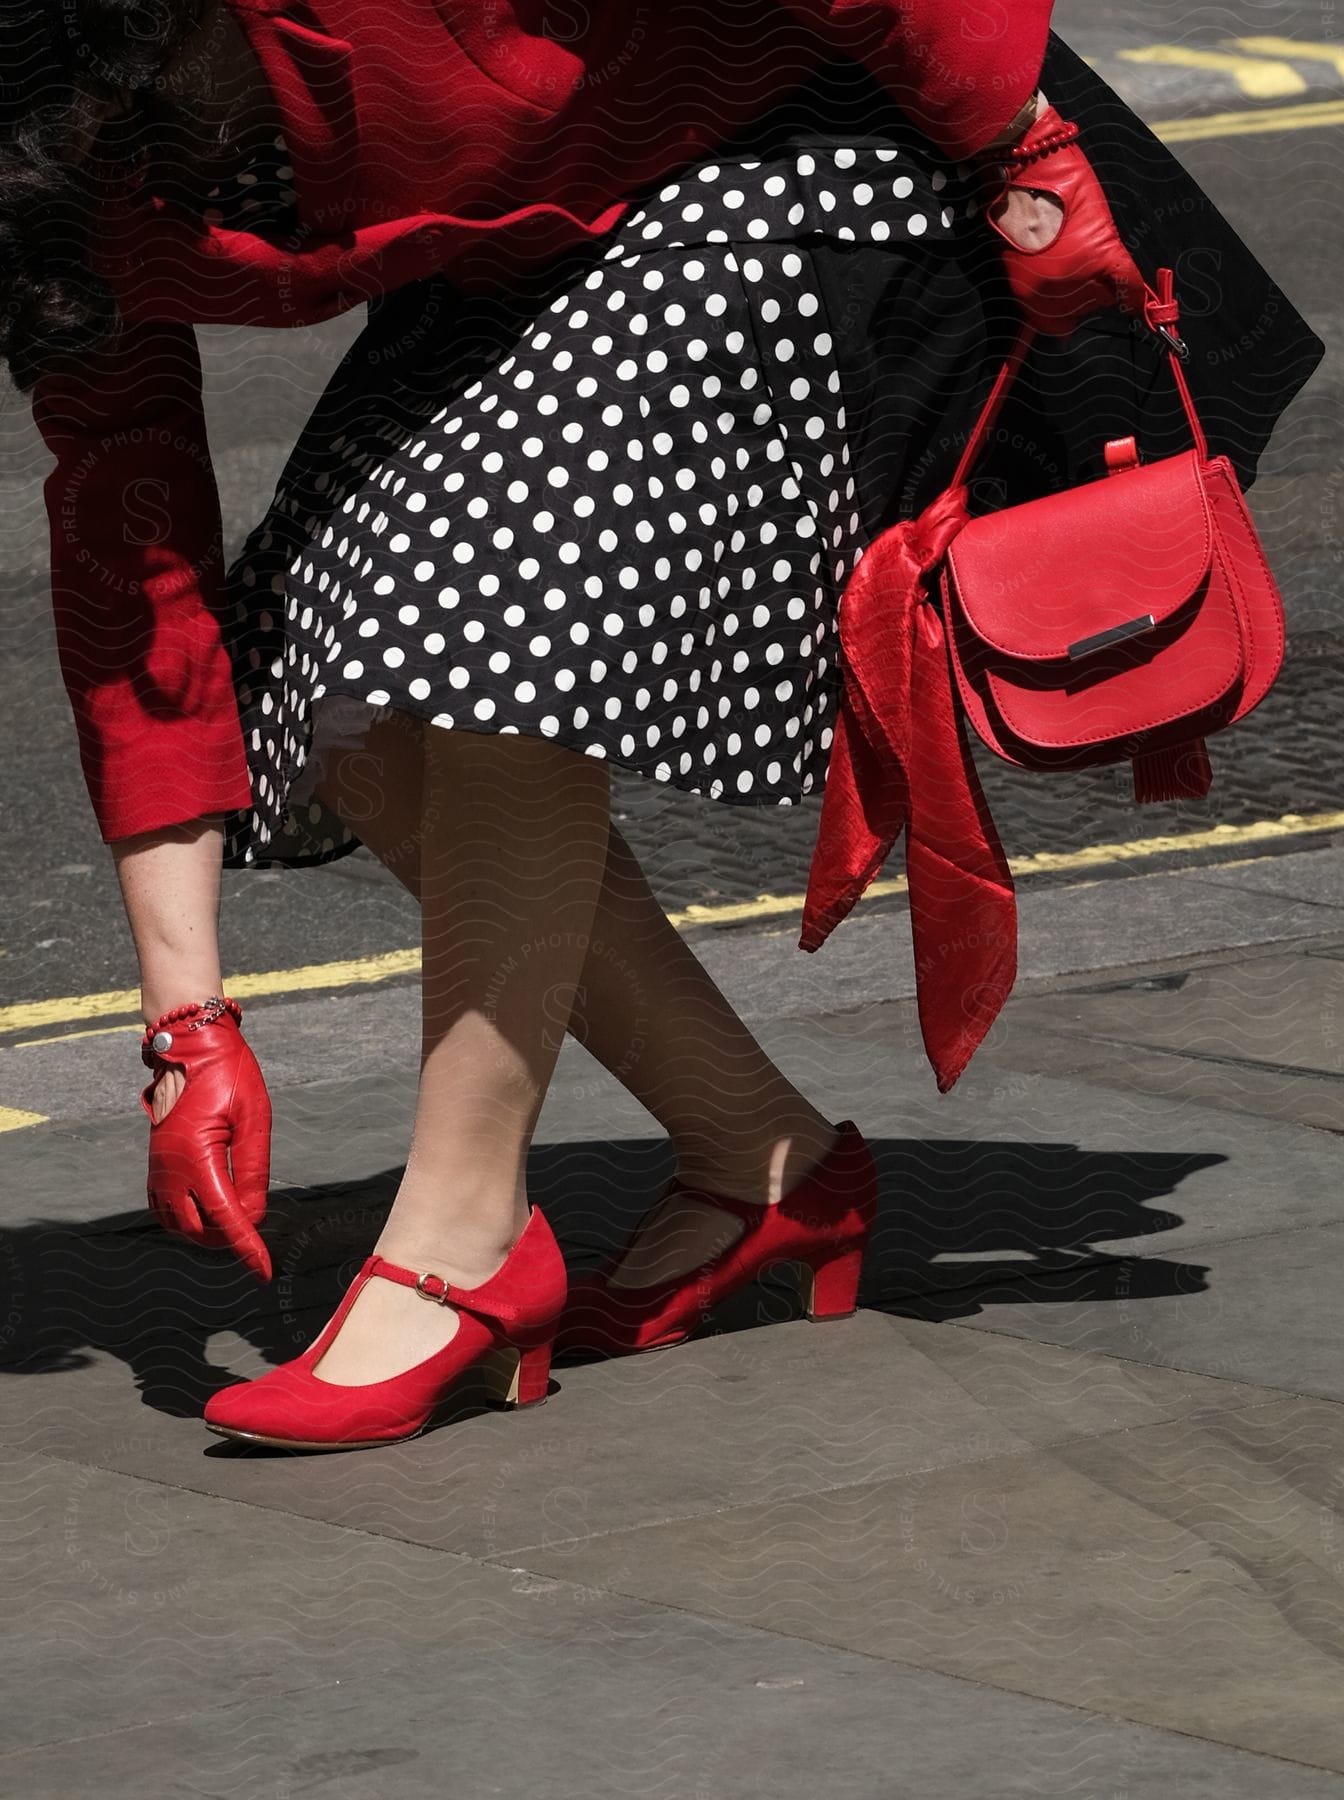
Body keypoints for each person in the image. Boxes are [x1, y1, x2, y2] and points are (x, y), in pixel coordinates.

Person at [2, 0, 1292, 1451]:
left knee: (468, 608)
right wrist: (187, 1023)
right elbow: (134, 559)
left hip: (811, 138)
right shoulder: (35, 185)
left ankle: (465, 1243)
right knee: (341, 709)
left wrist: (1028, 145)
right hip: (533, 235)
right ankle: (765, 1168)